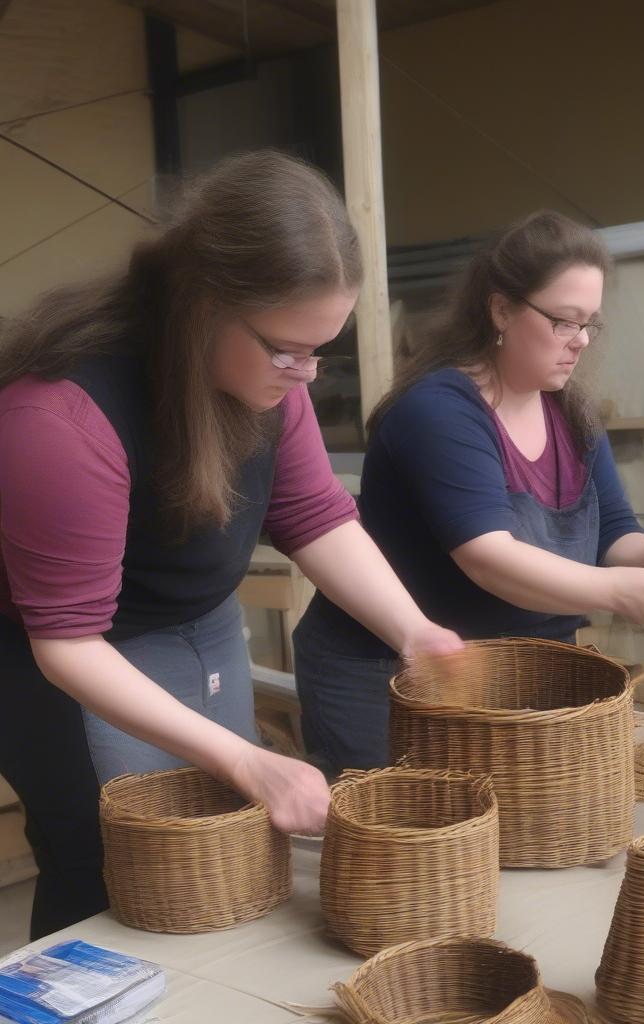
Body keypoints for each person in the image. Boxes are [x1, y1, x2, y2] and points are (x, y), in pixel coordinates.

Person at [0, 150, 461, 938]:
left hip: (194, 621)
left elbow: (315, 514)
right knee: (110, 859)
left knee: (219, 843)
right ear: (202, 302)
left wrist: (413, 631)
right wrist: (244, 756)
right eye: (289, 349)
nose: (308, 373)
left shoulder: (272, 381)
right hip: (69, 655)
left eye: (324, 349)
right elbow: (68, 643)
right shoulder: (58, 418)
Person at [294, 210, 644, 774]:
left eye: (590, 325)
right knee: (410, 850)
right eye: (564, 321)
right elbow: (488, 558)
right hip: (389, 676)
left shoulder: (572, 413)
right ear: (501, 308)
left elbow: (614, 531)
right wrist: (617, 591)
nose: (580, 342)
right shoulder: (439, 411)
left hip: (509, 674)